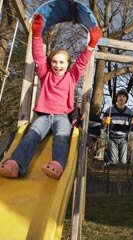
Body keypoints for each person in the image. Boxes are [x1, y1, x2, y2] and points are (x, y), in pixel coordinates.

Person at [0, 14, 102, 179]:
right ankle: (15, 164)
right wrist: (37, 35)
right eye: (54, 61)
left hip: (62, 117)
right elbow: (39, 56)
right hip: (44, 116)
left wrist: (91, 45)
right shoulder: (45, 74)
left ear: (68, 64)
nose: (57, 65)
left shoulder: (71, 77)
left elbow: (82, 62)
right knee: (30, 137)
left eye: (62, 62)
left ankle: (57, 165)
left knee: (61, 138)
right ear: (50, 63)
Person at [103, 89, 133, 166]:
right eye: (119, 96)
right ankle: (107, 157)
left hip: (124, 139)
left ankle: (120, 173)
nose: (121, 98)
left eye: (124, 96)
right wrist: (104, 122)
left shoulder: (130, 113)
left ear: (126, 99)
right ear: (116, 98)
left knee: (123, 162)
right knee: (114, 161)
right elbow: (103, 127)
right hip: (112, 138)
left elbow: (132, 129)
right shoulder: (109, 110)